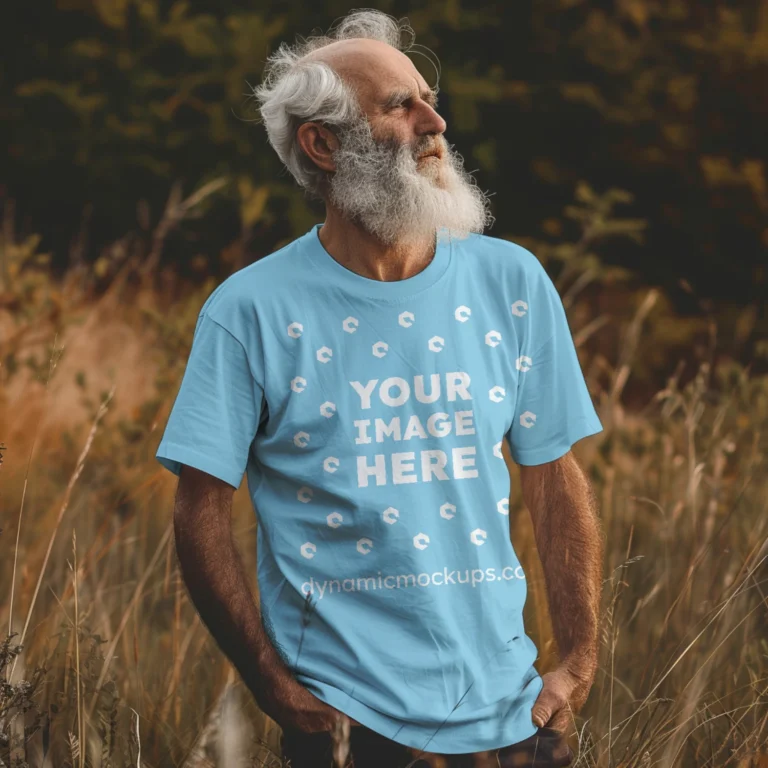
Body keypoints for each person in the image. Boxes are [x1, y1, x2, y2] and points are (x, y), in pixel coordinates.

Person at [156, 9, 604, 767]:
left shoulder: (513, 281)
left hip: (514, 710)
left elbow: (553, 473)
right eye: (399, 105)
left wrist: (580, 658)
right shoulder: (251, 311)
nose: (435, 120)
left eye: (426, 98)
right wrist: (272, 685)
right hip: (348, 723)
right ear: (321, 144)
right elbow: (199, 508)